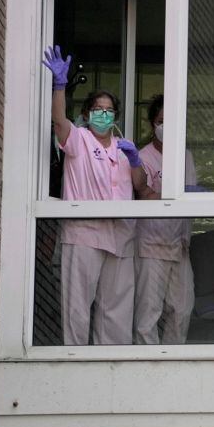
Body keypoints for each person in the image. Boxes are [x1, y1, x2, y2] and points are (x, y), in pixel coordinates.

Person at [42, 46, 154, 345]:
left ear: (115, 115)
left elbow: (141, 186)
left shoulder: (124, 145)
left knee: (116, 314)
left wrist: (134, 161)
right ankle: (74, 367)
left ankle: (110, 373)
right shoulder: (79, 139)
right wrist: (60, 87)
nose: (104, 115)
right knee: (77, 310)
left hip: (120, 237)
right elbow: (59, 123)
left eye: (109, 110)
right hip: (84, 235)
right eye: (98, 109)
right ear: (86, 113)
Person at [133, 95, 198, 345]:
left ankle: (172, 359)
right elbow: (143, 194)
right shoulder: (143, 157)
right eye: (161, 121)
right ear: (152, 125)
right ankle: (146, 364)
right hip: (151, 244)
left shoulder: (186, 156)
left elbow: (189, 197)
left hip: (179, 245)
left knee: (182, 308)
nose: (165, 127)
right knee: (148, 314)